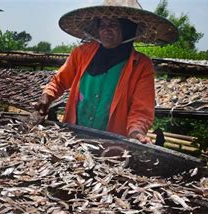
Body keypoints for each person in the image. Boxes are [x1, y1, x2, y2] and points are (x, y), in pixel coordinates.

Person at [35, 0, 178, 143]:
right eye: (102, 25)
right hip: (72, 136)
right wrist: (47, 96)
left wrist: (136, 132)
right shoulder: (82, 54)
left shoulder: (141, 65)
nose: (105, 29)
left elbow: (141, 110)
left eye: (113, 25)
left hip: (111, 145)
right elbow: (59, 81)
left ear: (128, 28)